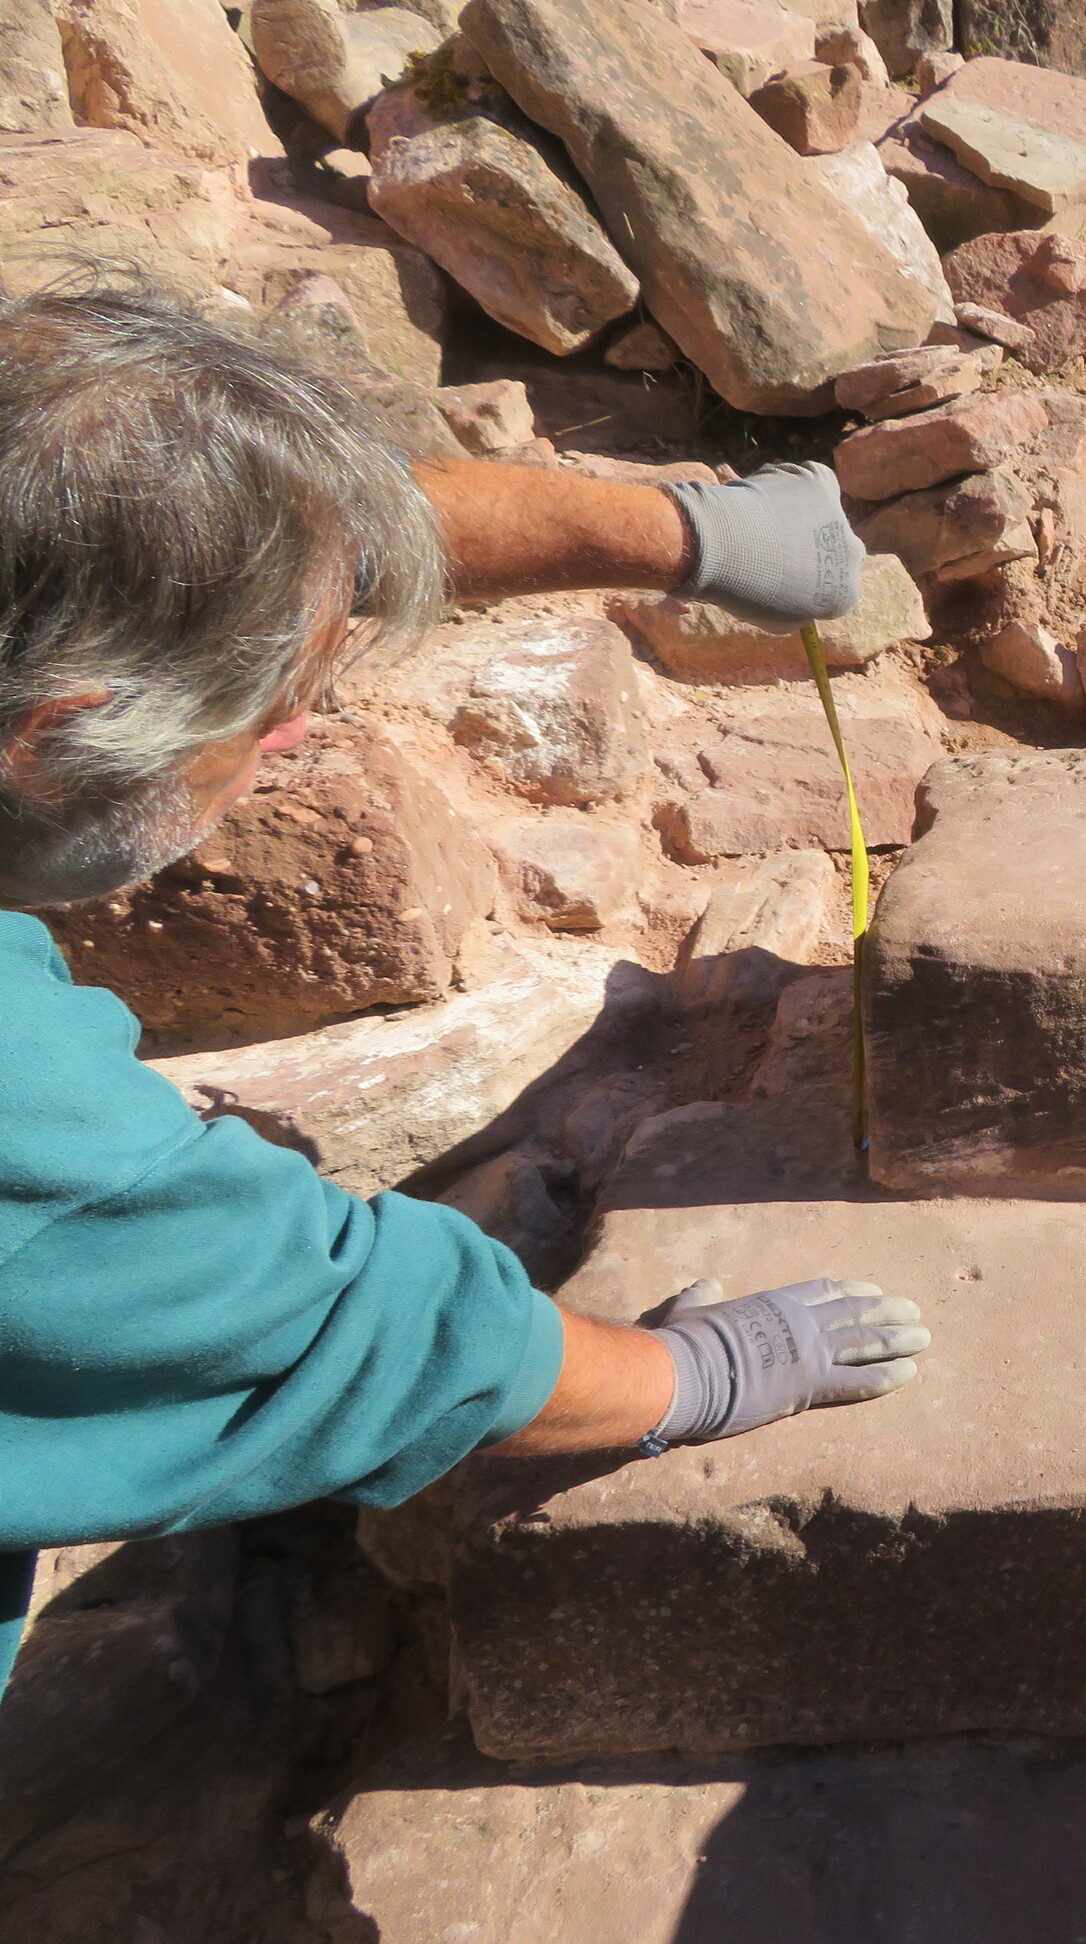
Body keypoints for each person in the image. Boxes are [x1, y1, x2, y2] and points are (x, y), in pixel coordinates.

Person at [0, 282, 929, 1700]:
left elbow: (278, 538)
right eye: (269, 712)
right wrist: (699, 1374)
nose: (294, 736)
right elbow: (352, 1324)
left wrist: (686, 534)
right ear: (57, 733)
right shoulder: (35, 1127)